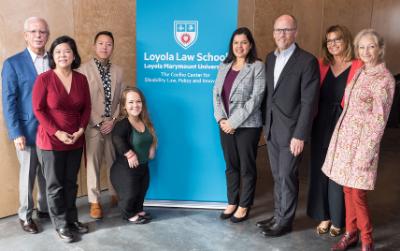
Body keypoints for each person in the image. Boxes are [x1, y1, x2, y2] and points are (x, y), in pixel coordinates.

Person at [322, 29, 395, 251]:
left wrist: (366, 153)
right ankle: (350, 233)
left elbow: (378, 122)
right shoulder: (360, 72)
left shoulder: (385, 79)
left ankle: (367, 240)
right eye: (362, 47)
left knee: (358, 195)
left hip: (363, 146)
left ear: (380, 48)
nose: (365, 51)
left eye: (371, 46)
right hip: (345, 142)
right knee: (346, 189)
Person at [258, 14, 319, 237]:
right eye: (278, 30)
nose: (281, 34)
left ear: (295, 32)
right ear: (273, 33)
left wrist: (300, 135)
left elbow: (309, 102)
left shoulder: (307, 61)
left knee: (287, 176)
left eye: (286, 30)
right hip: (272, 129)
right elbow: (269, 96)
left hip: (292, 132)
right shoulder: (270, 58)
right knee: (277, 176)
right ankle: (278, 215)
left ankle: (285, 222)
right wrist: (265, 125)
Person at [32, 36, 91, 242]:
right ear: (52, 56)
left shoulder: (81, 79)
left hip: (75, 139)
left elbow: (87, 108)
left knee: (70, 183)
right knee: (55, 185)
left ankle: (72, 219)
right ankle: (62, 224)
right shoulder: (44, 79)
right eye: (58, 52)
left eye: (67, 51)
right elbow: (38, 110)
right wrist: (57, 132)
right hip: (51, 141)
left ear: (74, 55)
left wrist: (81, 129)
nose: (62, 55)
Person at [307, 25, 363, 237]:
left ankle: (339, 218)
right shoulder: (322, 65)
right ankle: (324, 215)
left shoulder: (358, 65)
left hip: (344, 125)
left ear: (346, 41)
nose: (333, 44)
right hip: (320, 123)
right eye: (329, 41)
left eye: (337, 39)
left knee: (339, 172)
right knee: (320, 169)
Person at [1, 16, 50, 234]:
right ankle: (25, 216)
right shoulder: (13, 63)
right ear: (25, 35)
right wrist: (15, 132)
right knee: (28, 175)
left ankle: (45, 208)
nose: (38, 35)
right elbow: (8, 100)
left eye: (42, 32)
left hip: (51, 130)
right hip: (26, 130)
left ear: (48, 35)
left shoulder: (55, 59)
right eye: (33, 32)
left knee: (48, 173)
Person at [212, 27, 266, 223]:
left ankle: (244, 205)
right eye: (236, 43)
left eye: (243, 42)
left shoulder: (257, 66)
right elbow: (216, 95)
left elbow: (256, 98)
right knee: (231, 166)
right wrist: (221, 120)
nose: (239, 46)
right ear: (231, 45)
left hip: (248, 126)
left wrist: (234, 122)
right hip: (225, 125)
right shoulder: (224, 65)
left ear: (250, 45)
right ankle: (232, 202)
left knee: (247, 167)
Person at [78, 31, 126, 219]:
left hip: (113, 124)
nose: (104, 47)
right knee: (94, 164)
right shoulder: (83, 70)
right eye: (101, 43)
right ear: (94, 46)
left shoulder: (119, 71)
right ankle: (95, 201)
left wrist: (113, 120)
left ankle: (115, 193)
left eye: (109, 44)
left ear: (113, 47)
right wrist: (98, 122)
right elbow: (82, 101)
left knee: (114, 161)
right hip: (92, 125)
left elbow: (122, 100)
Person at [110, 87, 157, 224]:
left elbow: (151, 136)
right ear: (124, 106)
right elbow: (117, 139)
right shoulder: (122, 123)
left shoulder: (144, 120)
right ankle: (129, 214)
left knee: (142, 189)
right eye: (130, 102)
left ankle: (138, 209)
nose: (135, 105)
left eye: (138, 101)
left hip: (143, 166)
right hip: (125, 169)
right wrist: (130, 154)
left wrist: (153, 147)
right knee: (130, 192)